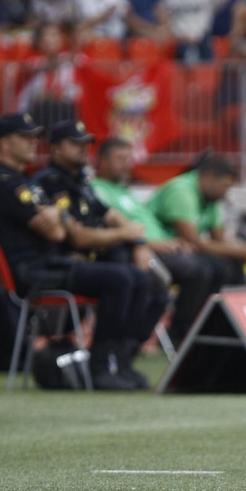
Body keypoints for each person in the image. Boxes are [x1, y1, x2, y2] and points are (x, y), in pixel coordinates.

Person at [0, 112, 159, 390]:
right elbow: (60, 233)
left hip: (50, 265)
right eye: (23, 137)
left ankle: (118, 362)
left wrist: (53, 217)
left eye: (33, 137)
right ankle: (99, 367)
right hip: (32, 272)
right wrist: (53, 218)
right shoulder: (2, 183)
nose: (31, 143)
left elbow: (59, 228)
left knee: (137, 278)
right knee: (120, 278)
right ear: (2, 143)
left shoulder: (22, 181)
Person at [89, 137, 226, 348]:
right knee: (198, 269)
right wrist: (152, 245)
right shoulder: (96, 190)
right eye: (120, 158)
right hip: (138, 252)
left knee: (219, 267)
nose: (127, 164)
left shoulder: (124, 191)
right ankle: (178, 335)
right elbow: (114, 230)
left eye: (128, 158)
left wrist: (173, 241)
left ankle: (203, 333)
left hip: (159, 247)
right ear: (102, 160)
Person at [147, 153, 246, 282]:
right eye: (224, 186)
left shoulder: (211, 196)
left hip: (181, 249)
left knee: (232, 265)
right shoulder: (181, 191)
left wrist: (242, 247)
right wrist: (239, 252)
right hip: (157, 248)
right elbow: (192, 241)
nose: (226, 192)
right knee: (206, 269)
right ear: (208, 177)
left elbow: (219, 238)